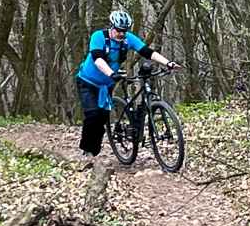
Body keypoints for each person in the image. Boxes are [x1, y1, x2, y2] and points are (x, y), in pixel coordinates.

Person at [75, 10, 179, 159]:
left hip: (106, 84)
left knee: (102, 117)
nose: (122, 34)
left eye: (124, 31)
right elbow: (98, 59)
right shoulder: (98, 37)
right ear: (112, 27)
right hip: (88, 81)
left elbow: (147, 52)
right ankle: (87, 151)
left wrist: (168, 62)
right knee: (92, 115)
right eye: (119, 31)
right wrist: (111, 73)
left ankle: (94, 150)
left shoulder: (127, 39)